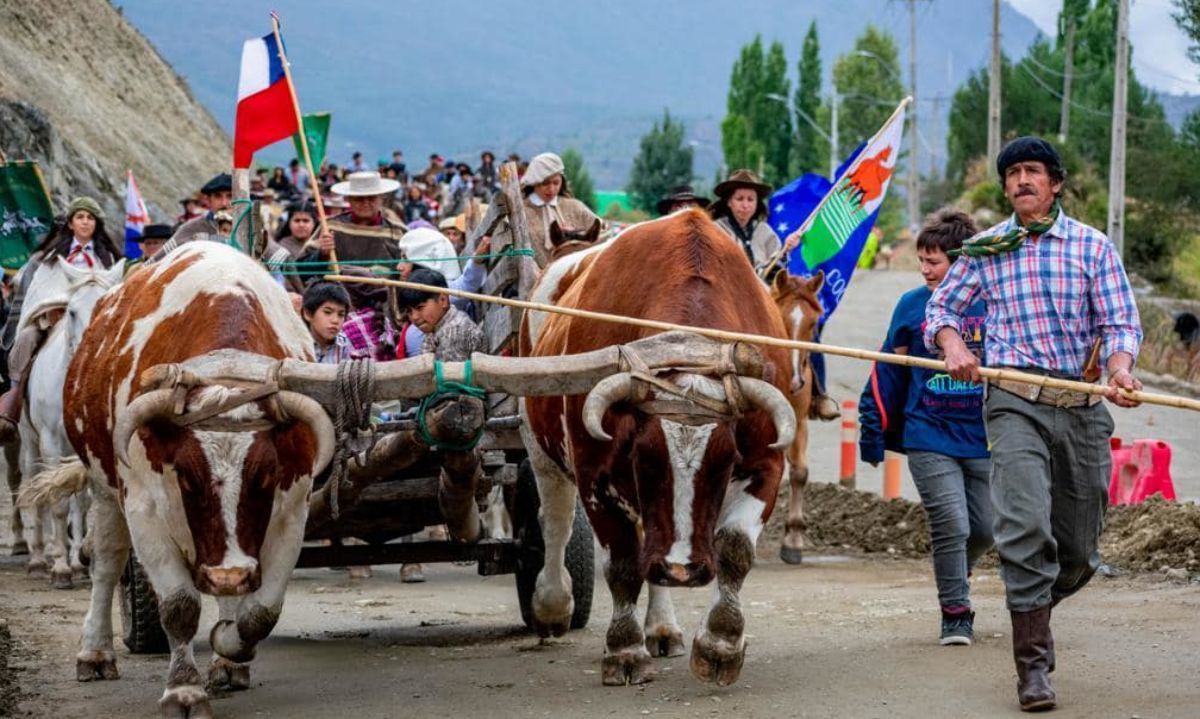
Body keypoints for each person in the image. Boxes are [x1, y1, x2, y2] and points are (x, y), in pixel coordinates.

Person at [925, 136, 1143, 712]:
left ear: (1056, 184)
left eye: (1033, 172)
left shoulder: (1093, 248)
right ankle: (1034, 669)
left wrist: (1120, 370)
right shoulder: (984, 249)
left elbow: (1121, 324)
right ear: (1005, 187)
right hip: (1012, 399)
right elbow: (941, 310)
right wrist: (953, 346)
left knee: (1077, 551)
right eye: (1013, 173)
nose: (1022, 180)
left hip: (1080, 406)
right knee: (1023, 528)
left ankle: (1034, 603)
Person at [858, 209, 991, 647]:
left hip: (984, 436)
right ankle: (956, 612)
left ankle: (955, 569)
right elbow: (888, 369)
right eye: (922, 260)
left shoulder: (994, 303)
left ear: (961, 263)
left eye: (934, 262)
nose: (924, 270)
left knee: (987, 528)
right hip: (927, 432)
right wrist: (872, 426)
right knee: (951, 522)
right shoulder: (912, 305)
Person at [0, 197, 124, 438]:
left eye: (90, 218)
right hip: (52, 321)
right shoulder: (51, 257)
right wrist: (51, 309)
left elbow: (115, 292)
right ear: (70, 223)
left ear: (96, 224)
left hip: (96, 322)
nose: (85, 222)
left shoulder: (108, 259)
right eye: (80, 217)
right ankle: (13, 401)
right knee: (26, 338)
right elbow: (40, 290)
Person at [709, 169, 797, 276]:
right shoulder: (716, 230)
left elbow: (777, 270)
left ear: (757, 203)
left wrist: (785, 250)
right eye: (739, 199)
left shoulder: (765, 231)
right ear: (729, 202)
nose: (745, 205)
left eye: (750, 199)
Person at [520, 152, 600, 268]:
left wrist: (578, 234)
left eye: (556, 183)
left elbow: (604, 233)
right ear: (534, 183)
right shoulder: (520, 212)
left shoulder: (575, 207)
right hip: (529, 281)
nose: (551, 189)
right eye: (545, 183)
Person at [395, 267, 486, 362]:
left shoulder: (454, 333)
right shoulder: (437, 328)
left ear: (443, 300)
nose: (414, 317)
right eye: (409, 311)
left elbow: (450, 375)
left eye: (420, 308)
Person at [301, 282, 352, 364]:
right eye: (327, 312)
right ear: (308, 314)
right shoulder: (298, 344)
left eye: (341, 314)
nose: (335, 320)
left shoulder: (343, 343)